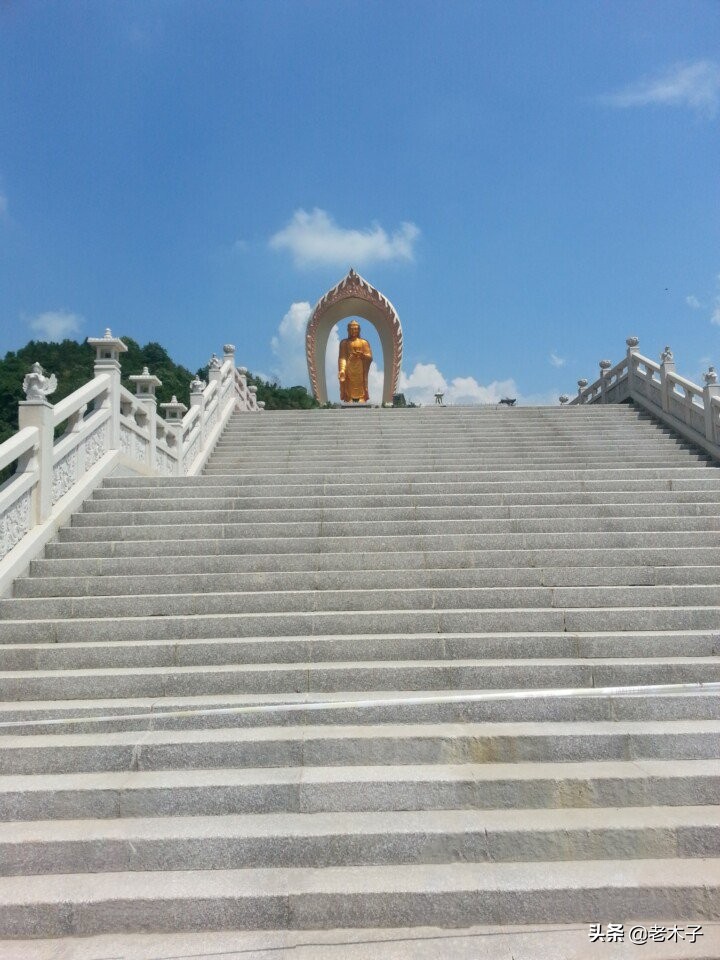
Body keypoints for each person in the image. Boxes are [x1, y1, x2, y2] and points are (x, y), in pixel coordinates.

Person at [338, 320, 372, 402]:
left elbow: (369, 357)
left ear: (359, 330)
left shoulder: (364, 342)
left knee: (360, 381)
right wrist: (342, 369)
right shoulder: (344, 343)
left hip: (360, 366)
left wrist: (362, 355)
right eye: (352, 329)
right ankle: (349, 397)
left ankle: (361, 397)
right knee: (349, 381)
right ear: (348, 330)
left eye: (356, 329)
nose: (354, 331)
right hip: (349, 366)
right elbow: (342, 358)